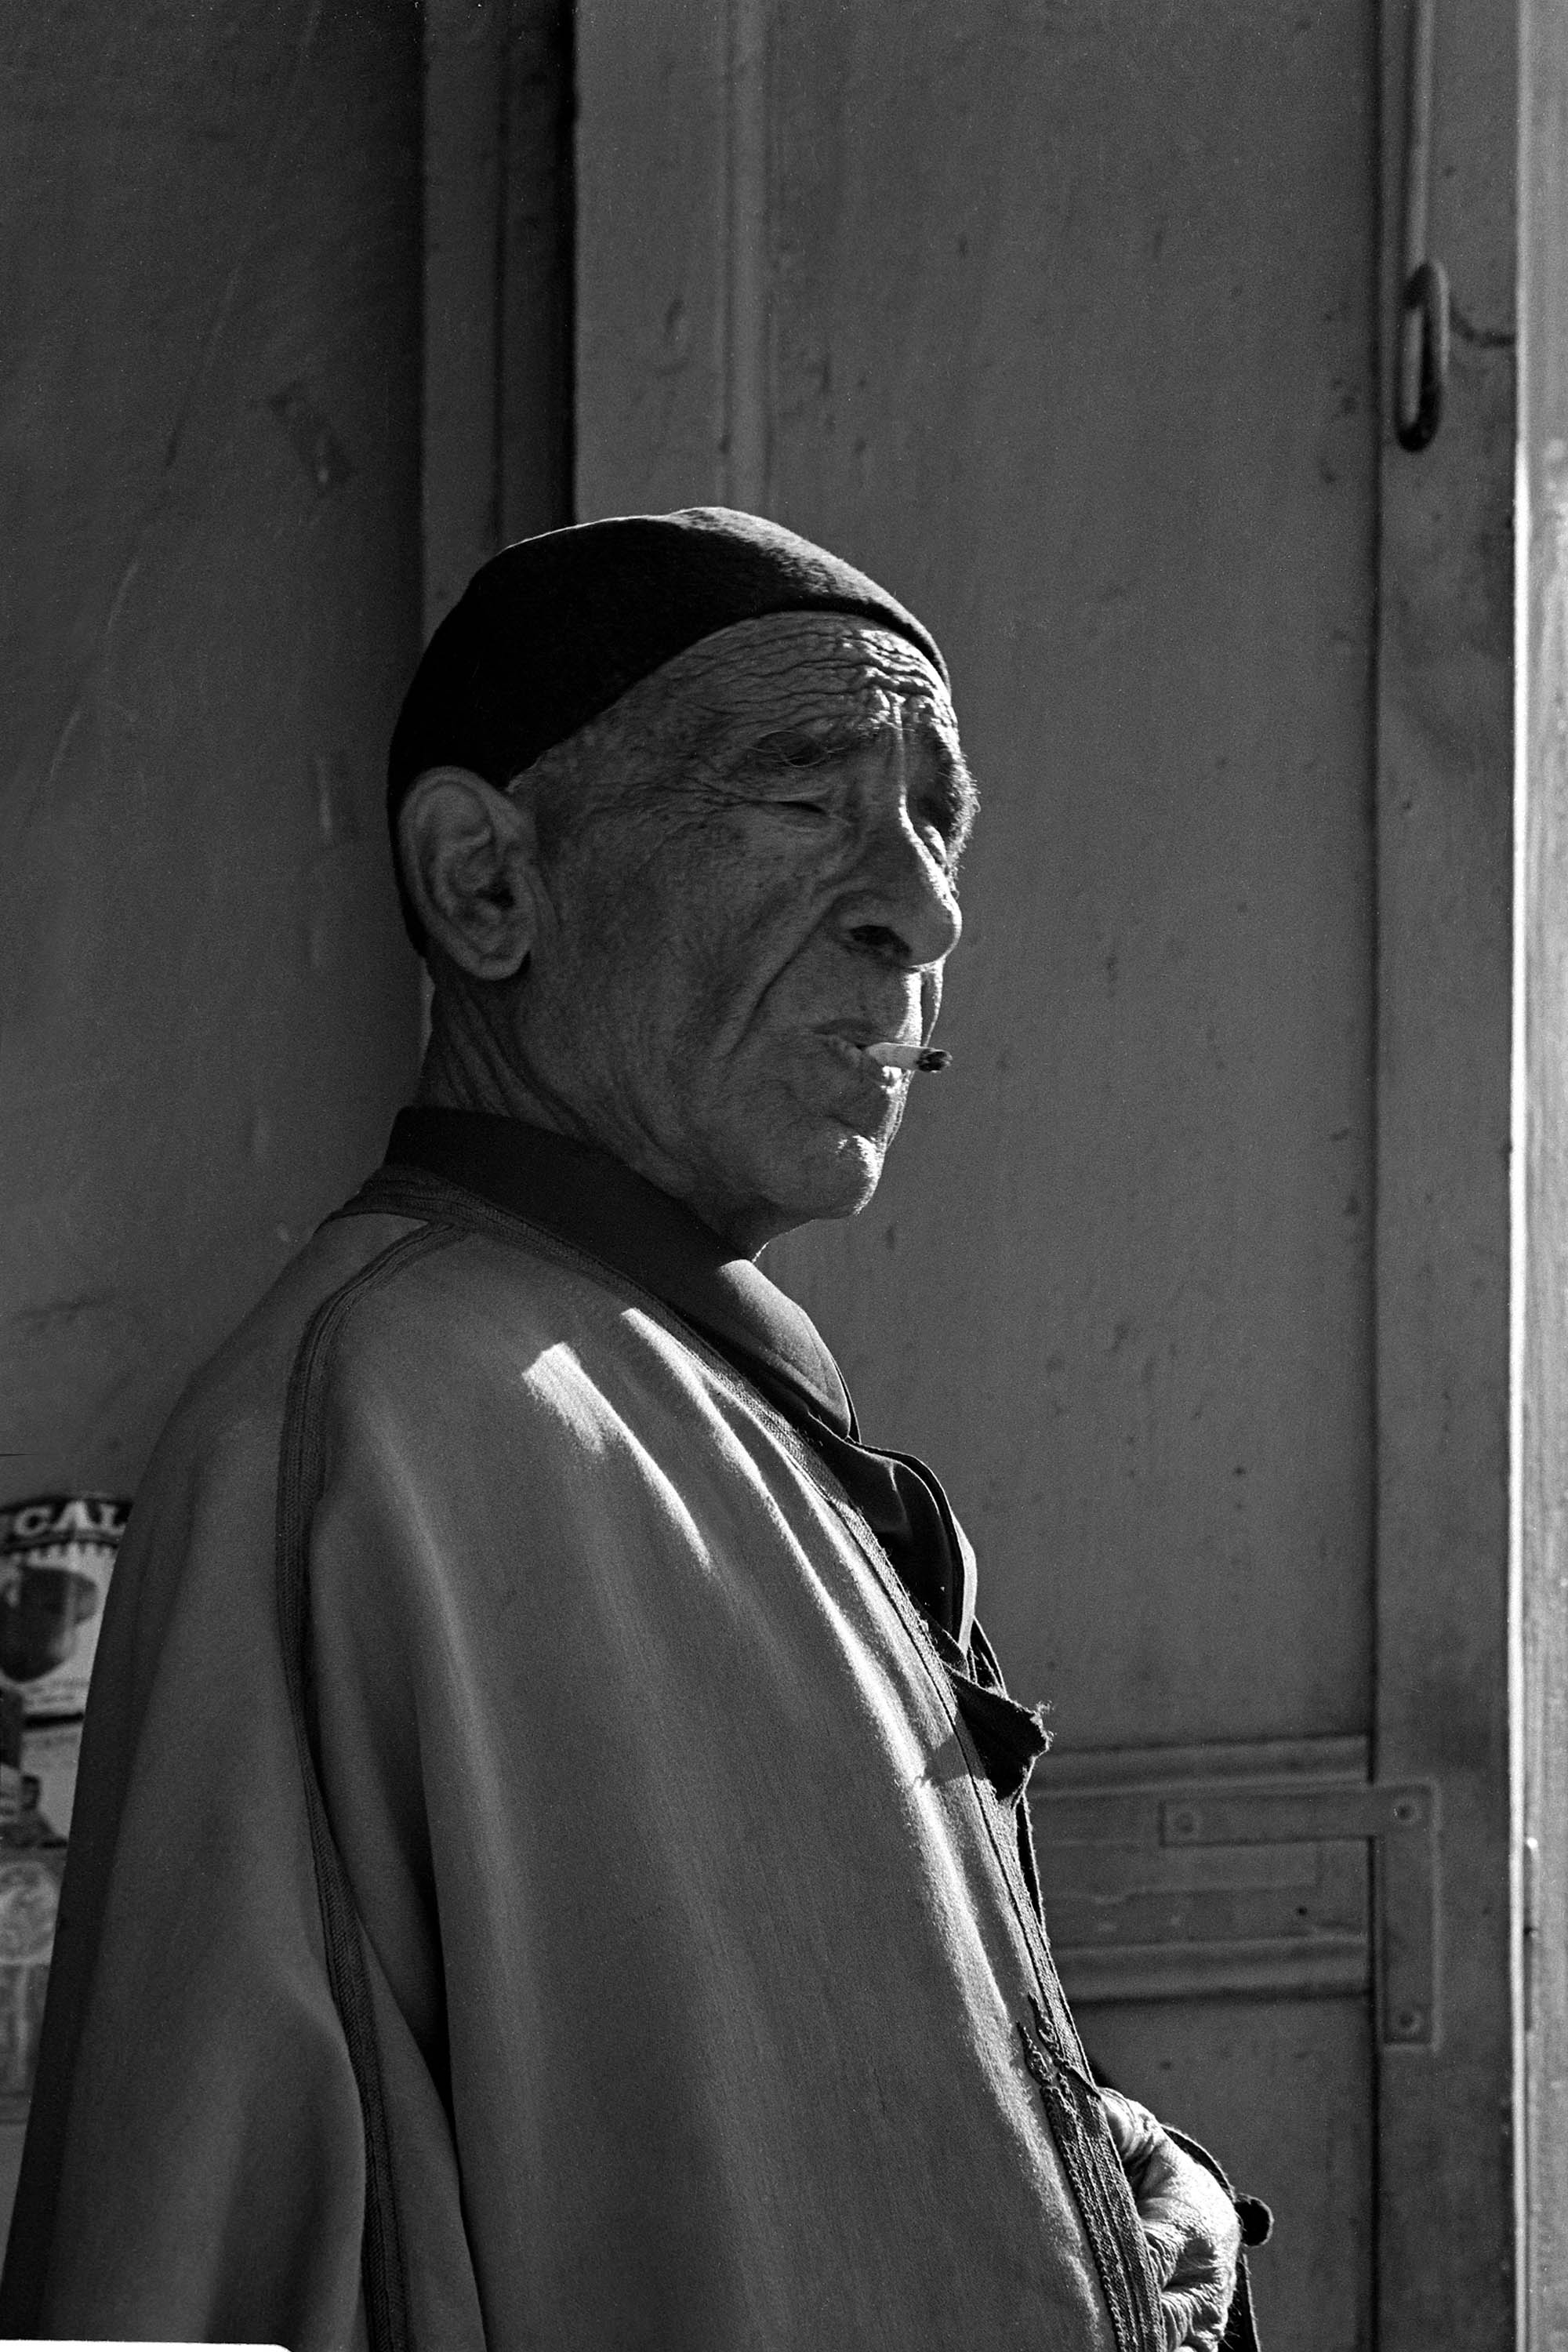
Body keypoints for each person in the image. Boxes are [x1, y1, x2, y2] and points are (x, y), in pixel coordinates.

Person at [0, 508, 1262, 2350]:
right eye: (804, 796)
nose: (924, 905)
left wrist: (1099, 2202)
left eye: (937, 818)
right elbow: (195, 2279)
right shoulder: (377, 1429)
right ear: (488, 883)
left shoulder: (673, 1394)